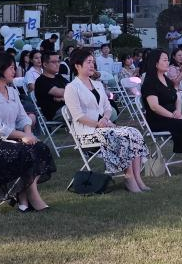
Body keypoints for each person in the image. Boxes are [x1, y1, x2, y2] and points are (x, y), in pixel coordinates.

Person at [0, 50, 54, 213]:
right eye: (10, 67)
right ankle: (32, 196)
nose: (14, 71)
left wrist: (28, 132)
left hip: (12, 137)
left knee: (40, 148)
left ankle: (24, 196)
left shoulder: (11, 91)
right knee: (23, 152)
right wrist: (23, 136)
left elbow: (22, 116)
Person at [63, 48, 151, 192]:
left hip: (104, 127)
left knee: (133, 132)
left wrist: (105, 118)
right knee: (121, 136)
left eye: (93, 62)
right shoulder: (72, 88)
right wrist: (98, 124)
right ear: (78, 66)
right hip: (86, 134)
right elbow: (78, 116)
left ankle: (137, 177)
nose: (92, 65)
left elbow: (108, 107)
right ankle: (128, 176)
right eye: (88, 62)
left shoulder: (97, 85)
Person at [34, 52, 70, 122]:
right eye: (53, 62)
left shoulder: (59, 77)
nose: (58, 64)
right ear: (44, 64)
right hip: (56, 113)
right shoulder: (41, 81)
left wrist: (62, 98)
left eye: (58, 61)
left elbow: (73, 89)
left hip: (68, 108)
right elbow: (60, 92)